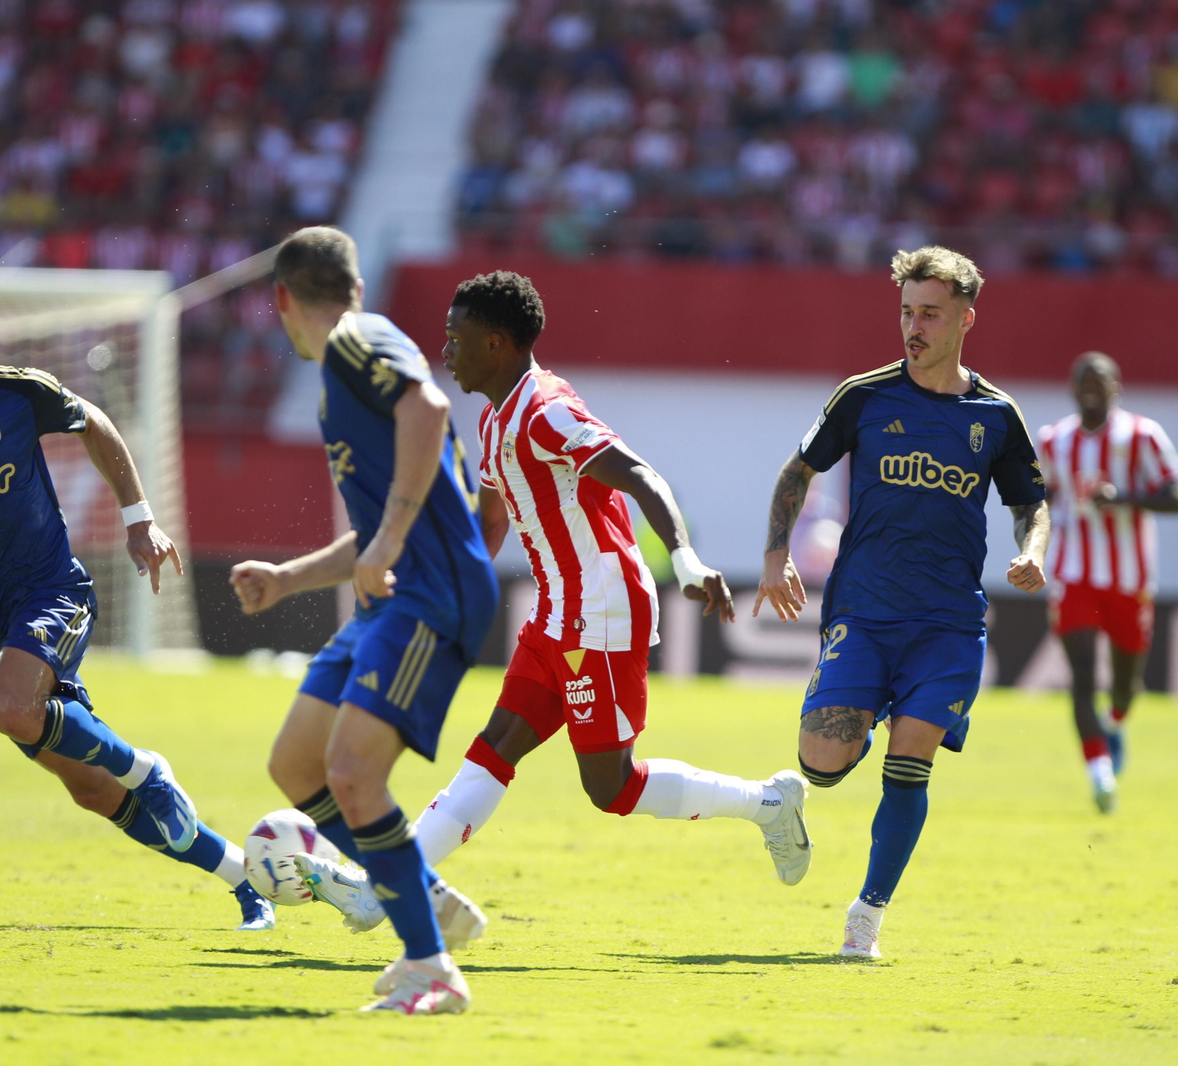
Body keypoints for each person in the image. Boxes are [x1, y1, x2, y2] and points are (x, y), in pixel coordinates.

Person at [290, 269, 812, 994]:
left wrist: (686, 558)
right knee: (495, 747)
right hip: (558, 613)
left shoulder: (545, 411)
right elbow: (491, 523)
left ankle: (769, 804)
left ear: (498, 344)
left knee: (612, 787)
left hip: (600, 614)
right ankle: (379, 887)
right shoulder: (495, 420)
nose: (446, 348)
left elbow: (639, 474)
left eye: (458, 337)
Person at [0, 262, 274, 931]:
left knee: (9, 708)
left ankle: (148, 769)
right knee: (91, 789)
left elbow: (95, 422)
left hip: (52, 591)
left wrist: (139, 519)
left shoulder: (17, 393)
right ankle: (244, 879)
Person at [229, 228, 499, 1016]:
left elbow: (429, 406)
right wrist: (288, 579)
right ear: (352, 282)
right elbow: (385, 519)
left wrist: (385, 544)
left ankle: (430, 967)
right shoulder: (348, 367)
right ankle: (425, 895)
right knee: (298, 765)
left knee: (352, 775)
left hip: (429, 592)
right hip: (396, 592)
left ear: (282, 298)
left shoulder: (357, 339)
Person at [754, 246, 1049, 959]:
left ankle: (867, 916)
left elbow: (1030, 504)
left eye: (931, 315)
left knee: (911, 760)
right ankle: (801, 784)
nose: (914, 328)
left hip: (948, 623)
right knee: (822, 762)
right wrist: (774, 555)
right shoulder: (863, 396)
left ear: (966, 319)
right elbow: (797, 470)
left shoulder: (996, 415)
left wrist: (1034, 551)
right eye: (907, 313)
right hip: (864, 611)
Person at [1036, 352, 1178, 812]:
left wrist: (1123, 498)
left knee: (1125, 685)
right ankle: (1099, 774)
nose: (1090, 387)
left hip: (1128, 577)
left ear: (1116, 388)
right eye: (1082, 379)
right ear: (1072, 388)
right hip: (1073, 573)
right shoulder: (1053, 440)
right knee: (1082, 675)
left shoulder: (1142, 435)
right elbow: (1039, 497)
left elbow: (1176, 497)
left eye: (1098, 380)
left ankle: (1115, 721)